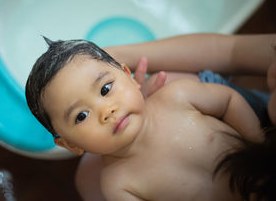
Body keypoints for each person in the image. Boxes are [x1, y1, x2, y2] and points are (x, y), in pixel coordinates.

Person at [25, 37, 263, 201]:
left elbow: (229, 100)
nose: (106, 111)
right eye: (81, 116)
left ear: (130, 77)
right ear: (70, 144)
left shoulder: (177, 96)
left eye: (106, 89)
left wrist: (258, 144)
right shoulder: (118, 185)